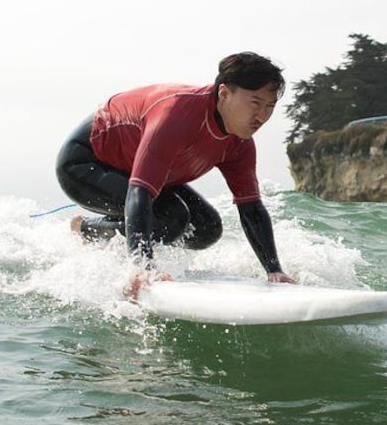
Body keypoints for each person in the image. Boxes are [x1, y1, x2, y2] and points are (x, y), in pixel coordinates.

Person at [55, 52, 295, 293]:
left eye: (270, 106)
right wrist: (143, 266)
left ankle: (95, 229)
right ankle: (88, 230)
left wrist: (274, 270)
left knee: (207, 229)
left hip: (142, 168)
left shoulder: (239, 143)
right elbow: (140, 191)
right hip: (86, 161)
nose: (262, 116)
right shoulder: (177, 115)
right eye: (255, 103)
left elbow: (250, 207)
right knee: (172, 217)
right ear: (224, 93)